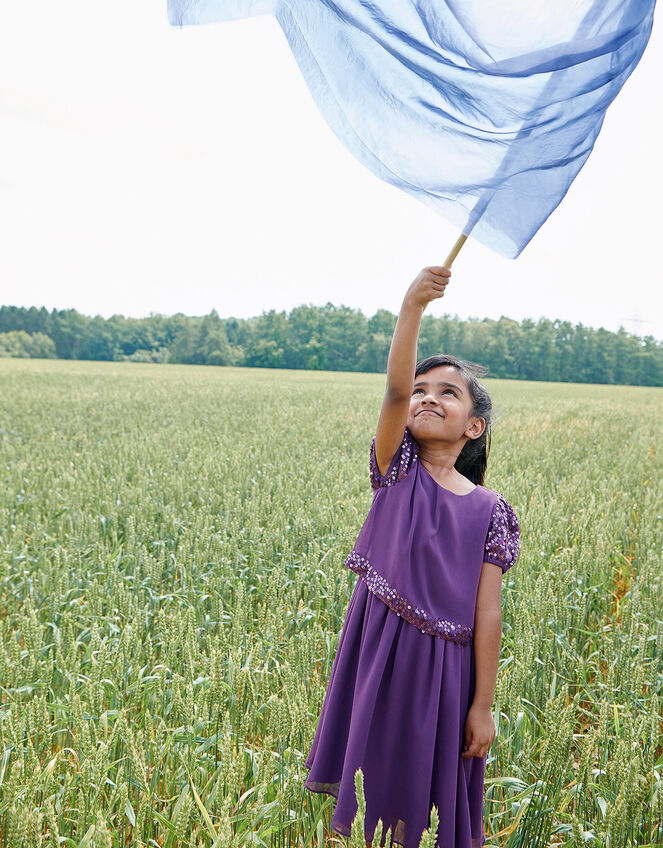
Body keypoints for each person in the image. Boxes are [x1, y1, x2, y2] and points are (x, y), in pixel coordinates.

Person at [303, 266, 520, 848]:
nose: (427, 397)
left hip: (448, 671)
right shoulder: (396, 470)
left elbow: (489, 613)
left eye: (448, 392)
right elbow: (395, 391)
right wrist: (411, 310)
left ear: (474, 427)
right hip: (380, 650)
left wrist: (483, 706)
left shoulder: (491, 511)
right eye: (423, 390)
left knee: (431, 795)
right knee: (374, 788)